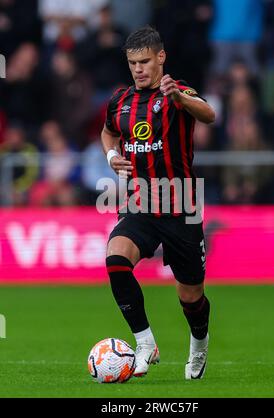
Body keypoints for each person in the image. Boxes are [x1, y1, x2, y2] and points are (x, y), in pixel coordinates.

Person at [100, 26, 215, 379]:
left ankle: (199, 344)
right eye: (133, 62)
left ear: (160, 57)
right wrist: (111, 156)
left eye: (145, 61)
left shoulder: (178, 92)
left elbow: (208, 114)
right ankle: (145, 342)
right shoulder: (120, 100)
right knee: (116, 260)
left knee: (190, 296)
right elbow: (108, 131)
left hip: (180, 206)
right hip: (138, 203)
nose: (139, 68)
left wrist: (180, 100)